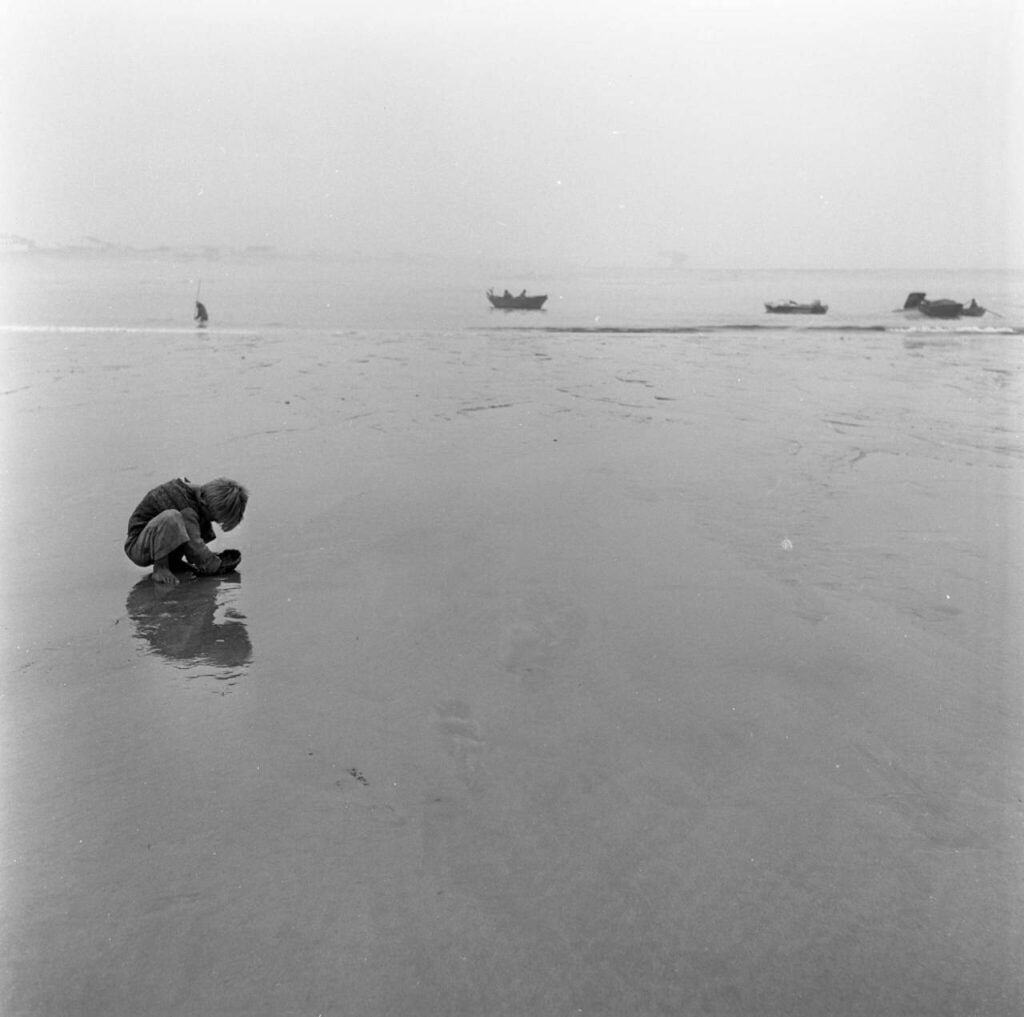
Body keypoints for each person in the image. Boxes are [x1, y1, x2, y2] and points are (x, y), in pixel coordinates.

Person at [124, 477, 248, 585]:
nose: (212, 522)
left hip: (156, 541)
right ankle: (161, 568)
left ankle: (173, 563)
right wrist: (214, 565)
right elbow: (193, 543)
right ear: (204, 502)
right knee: (172, 518)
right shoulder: (185, 507)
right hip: (138, 547)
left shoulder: (197, 494)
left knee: (183, 524)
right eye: (213, 518)